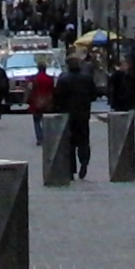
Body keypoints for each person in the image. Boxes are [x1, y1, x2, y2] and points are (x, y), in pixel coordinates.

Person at [53, 49, 97, 179]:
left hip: (68, 115)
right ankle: (84, 162)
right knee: (83, 141)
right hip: (83, 114)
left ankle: (71, 169)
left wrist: (59, 108)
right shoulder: (87, 78)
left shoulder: (63, 79)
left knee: (69, 143)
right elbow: (94, 95)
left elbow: (58, 97)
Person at [25, 58, 57, 146]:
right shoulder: (49, 79)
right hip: (47, 102)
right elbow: (53, 90)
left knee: (37, 121)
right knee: (46, 121)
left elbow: (30, 90)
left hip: (36, 102)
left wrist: (28, 99)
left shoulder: (34, 79)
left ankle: (39, 138)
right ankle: (47, 137)